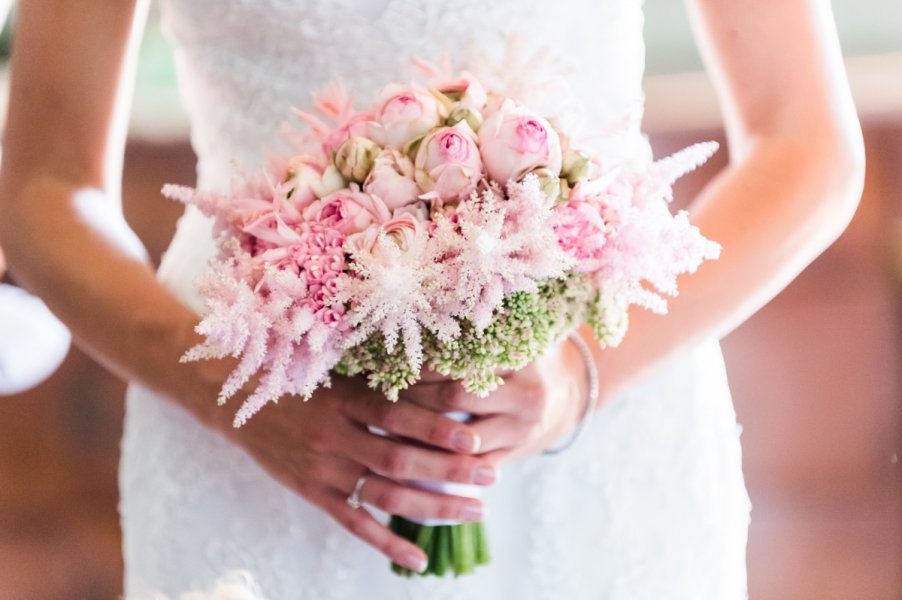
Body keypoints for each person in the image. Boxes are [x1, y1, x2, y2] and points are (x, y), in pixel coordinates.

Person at [0, 0, 863, 598]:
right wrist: (227, 394)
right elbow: (46, 185)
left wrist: (576, 376)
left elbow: (808, 147)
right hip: (253, 413)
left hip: (602, 425)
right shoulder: (240, 406)